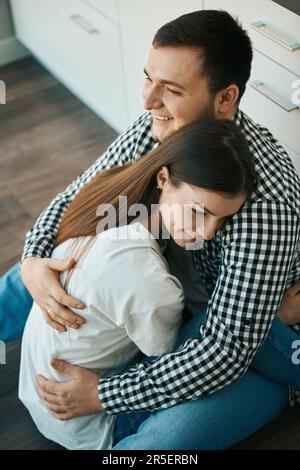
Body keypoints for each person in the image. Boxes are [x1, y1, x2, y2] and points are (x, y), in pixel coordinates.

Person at [1, 10, 300, 449]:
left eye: (172, 89)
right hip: (176, 310)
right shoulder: (165, 126)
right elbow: (79, 197)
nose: (148, 100)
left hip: (255, 344)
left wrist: (101, 394)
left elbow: (224, 350)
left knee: (166, 441)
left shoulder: (265, 207)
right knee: (44, 269)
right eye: (149, 79)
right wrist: (33, 263)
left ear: (225, 98)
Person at [19, 119, 257, 450]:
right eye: (200, 212)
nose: (208, 233)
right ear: (163, 178)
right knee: (225, 336)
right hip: (85, 422)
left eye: (221, 220)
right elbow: (168, 362)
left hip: (34, 392)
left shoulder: (107, 201)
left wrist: (28, 261)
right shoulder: (153, 283)